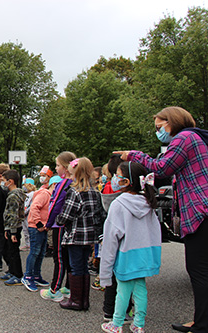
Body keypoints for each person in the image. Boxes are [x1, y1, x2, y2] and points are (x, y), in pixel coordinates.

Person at [115, 106, 208, 333]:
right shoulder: (198, 138)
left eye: (160, 126)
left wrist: (133, 155)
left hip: (200, 210)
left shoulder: (184, 138)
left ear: (172, 121)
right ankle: (201, 319)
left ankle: (203, 323)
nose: (158, 131)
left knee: (198, 269)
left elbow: (162, 167)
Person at [100, 162, 161, 333]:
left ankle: (117, 323)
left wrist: (105, 270)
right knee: (140, 289)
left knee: (123, 290)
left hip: (126, 255)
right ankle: (139, 324)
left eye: (118, 175)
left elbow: (111, 238)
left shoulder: (119, 204)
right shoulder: (148, 202)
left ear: (126, 181)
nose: (114, 179)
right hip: (145, 254)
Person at [56, 157, 106, 311]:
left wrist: (58, 219)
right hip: (89, 236)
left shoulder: (74, 192)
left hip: (75, 235)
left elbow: (66, 216)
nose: (69, 178)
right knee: (83, 267)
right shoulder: (94, 192)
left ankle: (76, 300)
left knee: (76, 267)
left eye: (71, 175)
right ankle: (83, 300)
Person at [40, 151, 76, 302]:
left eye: (58, 165)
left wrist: (48, 223)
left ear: (66, 167)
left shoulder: (64, 184)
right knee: (67, 258)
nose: (56, 169)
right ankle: (67, 287)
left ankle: (55, 289)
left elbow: (55, 205)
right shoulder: (75, 183)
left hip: (59, 224)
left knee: (59, 257)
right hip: (69, 225)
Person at [22, 178, 51, 292]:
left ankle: (37, 275)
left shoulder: (51, 195)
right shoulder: (44, 194)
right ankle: (28, 276)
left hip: (43, 227)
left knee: (41, 252)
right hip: (36, 227)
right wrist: (38, 222)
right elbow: (34, 207)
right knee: (34, 251)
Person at [20, 178, 36, 252]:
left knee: (29, 230)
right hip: (24, 215)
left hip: (29, 215)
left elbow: (31, 204)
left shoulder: (33, 194)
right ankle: (27, 244)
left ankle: (31, 244)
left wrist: (26, 211)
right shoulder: (25, 194)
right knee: (25, 230)